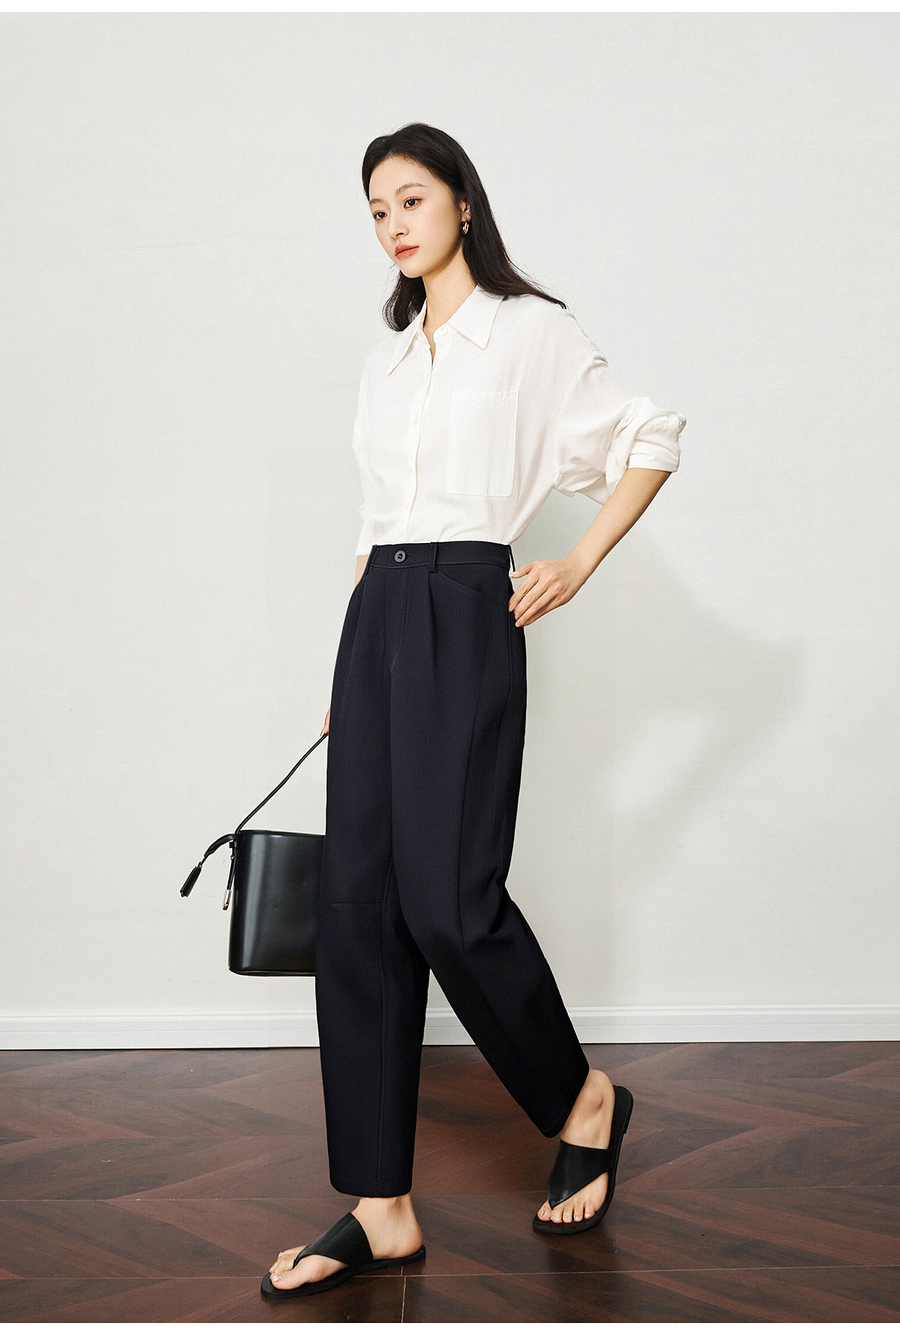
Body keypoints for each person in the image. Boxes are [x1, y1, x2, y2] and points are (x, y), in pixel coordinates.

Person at [262, 122, 686, 1300]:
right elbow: (373, 526)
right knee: (359, 910)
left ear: (461, 203)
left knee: (449, 902)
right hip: (378, 621)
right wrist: (352, 675)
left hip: (463, 605)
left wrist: (579, 561)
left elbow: (650, 435)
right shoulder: (389, 359)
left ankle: (582, 1100)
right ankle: (379, 1205)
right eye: (375, 210)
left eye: (410, 199)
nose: (392, 224)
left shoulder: (531, 331)